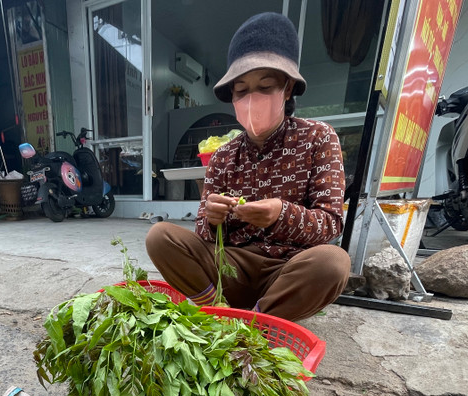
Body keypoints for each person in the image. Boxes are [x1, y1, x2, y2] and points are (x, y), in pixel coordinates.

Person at [145, 12, 351, 322]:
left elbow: (331, 223)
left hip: (287, 273)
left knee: (333, 263)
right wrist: (212, 218)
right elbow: (203, 233)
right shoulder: (223, 156)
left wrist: (280, 214)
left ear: (288, 88)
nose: (252, 99)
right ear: (232, 96)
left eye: (265, 87)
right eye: (241, 91)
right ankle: (217, 311)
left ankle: (255, 323)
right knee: (160, 236)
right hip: (230, 269)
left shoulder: (318, 137)